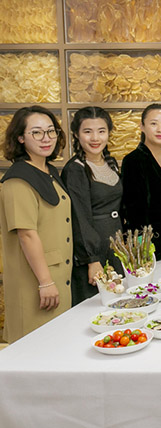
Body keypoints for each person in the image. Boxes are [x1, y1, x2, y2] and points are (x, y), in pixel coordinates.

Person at [0, 106, 71, 343]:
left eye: (51, 131)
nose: (46, 138)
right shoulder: (18, 180)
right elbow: (26, 234)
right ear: (20, 138)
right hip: (36, 281)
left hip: (57, 275)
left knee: (56, 346)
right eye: (37, 132)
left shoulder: (48, 171)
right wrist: (45, 282)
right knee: (34, 348)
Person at [62, 107, 124, 306]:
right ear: (76, 134)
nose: (95, 138)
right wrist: (92, 259)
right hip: (93, 251)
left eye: (101, 131)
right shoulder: (75, 169)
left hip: (115, 245)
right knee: (95, 308)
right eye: (87, 131)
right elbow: (79, 218)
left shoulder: (111, 163)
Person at [121, 104, 161, 260]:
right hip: (152, 245)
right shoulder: (133, 160)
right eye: (154, 124)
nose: (160, 129)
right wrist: (143, 248)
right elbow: (133, 210)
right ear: (142, 126)